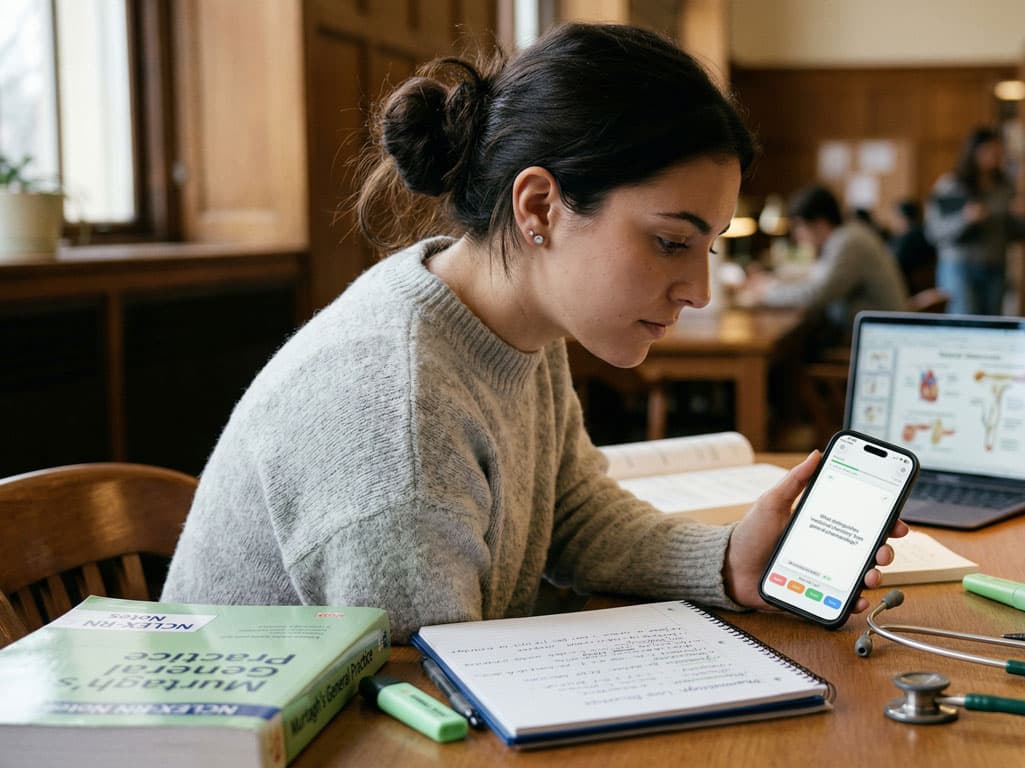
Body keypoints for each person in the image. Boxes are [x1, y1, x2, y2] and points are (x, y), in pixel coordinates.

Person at [160, 24, 905, 638]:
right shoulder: (397, 411)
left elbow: (570, 515)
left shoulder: (515, 322)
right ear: (540, 207)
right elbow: (429, 699)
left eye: (706, 249)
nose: (699, 291)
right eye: (671, 242)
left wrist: (731, 558)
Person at [738, 185, 907, 346]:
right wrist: (772, 284)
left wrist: (766, 292)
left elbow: (816, 294)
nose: (797, 236)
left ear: (820, 223)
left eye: (799, 226)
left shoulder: (849, 243)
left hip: (880, 340)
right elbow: (814, 279)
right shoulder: (845, 237)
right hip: (865, 333)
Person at [924, 127, 1025, 316]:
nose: (995, 156)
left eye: (998, 150)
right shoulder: (951, 185)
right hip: (959, 266)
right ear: (974, 152)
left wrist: (1021, 217)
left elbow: (1018, 233)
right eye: (989, 150)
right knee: (964, 321)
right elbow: (933, 231)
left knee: (992, 324)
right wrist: (965, 219)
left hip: (994, 265)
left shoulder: (1005, 187)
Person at [889, 198, 937, 295]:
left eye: (895, 216)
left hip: (907, 290)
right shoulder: (925, 233)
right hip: (926, 289)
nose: (893, 221)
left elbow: (894, 264)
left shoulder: (907, 239)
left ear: (902, 217)